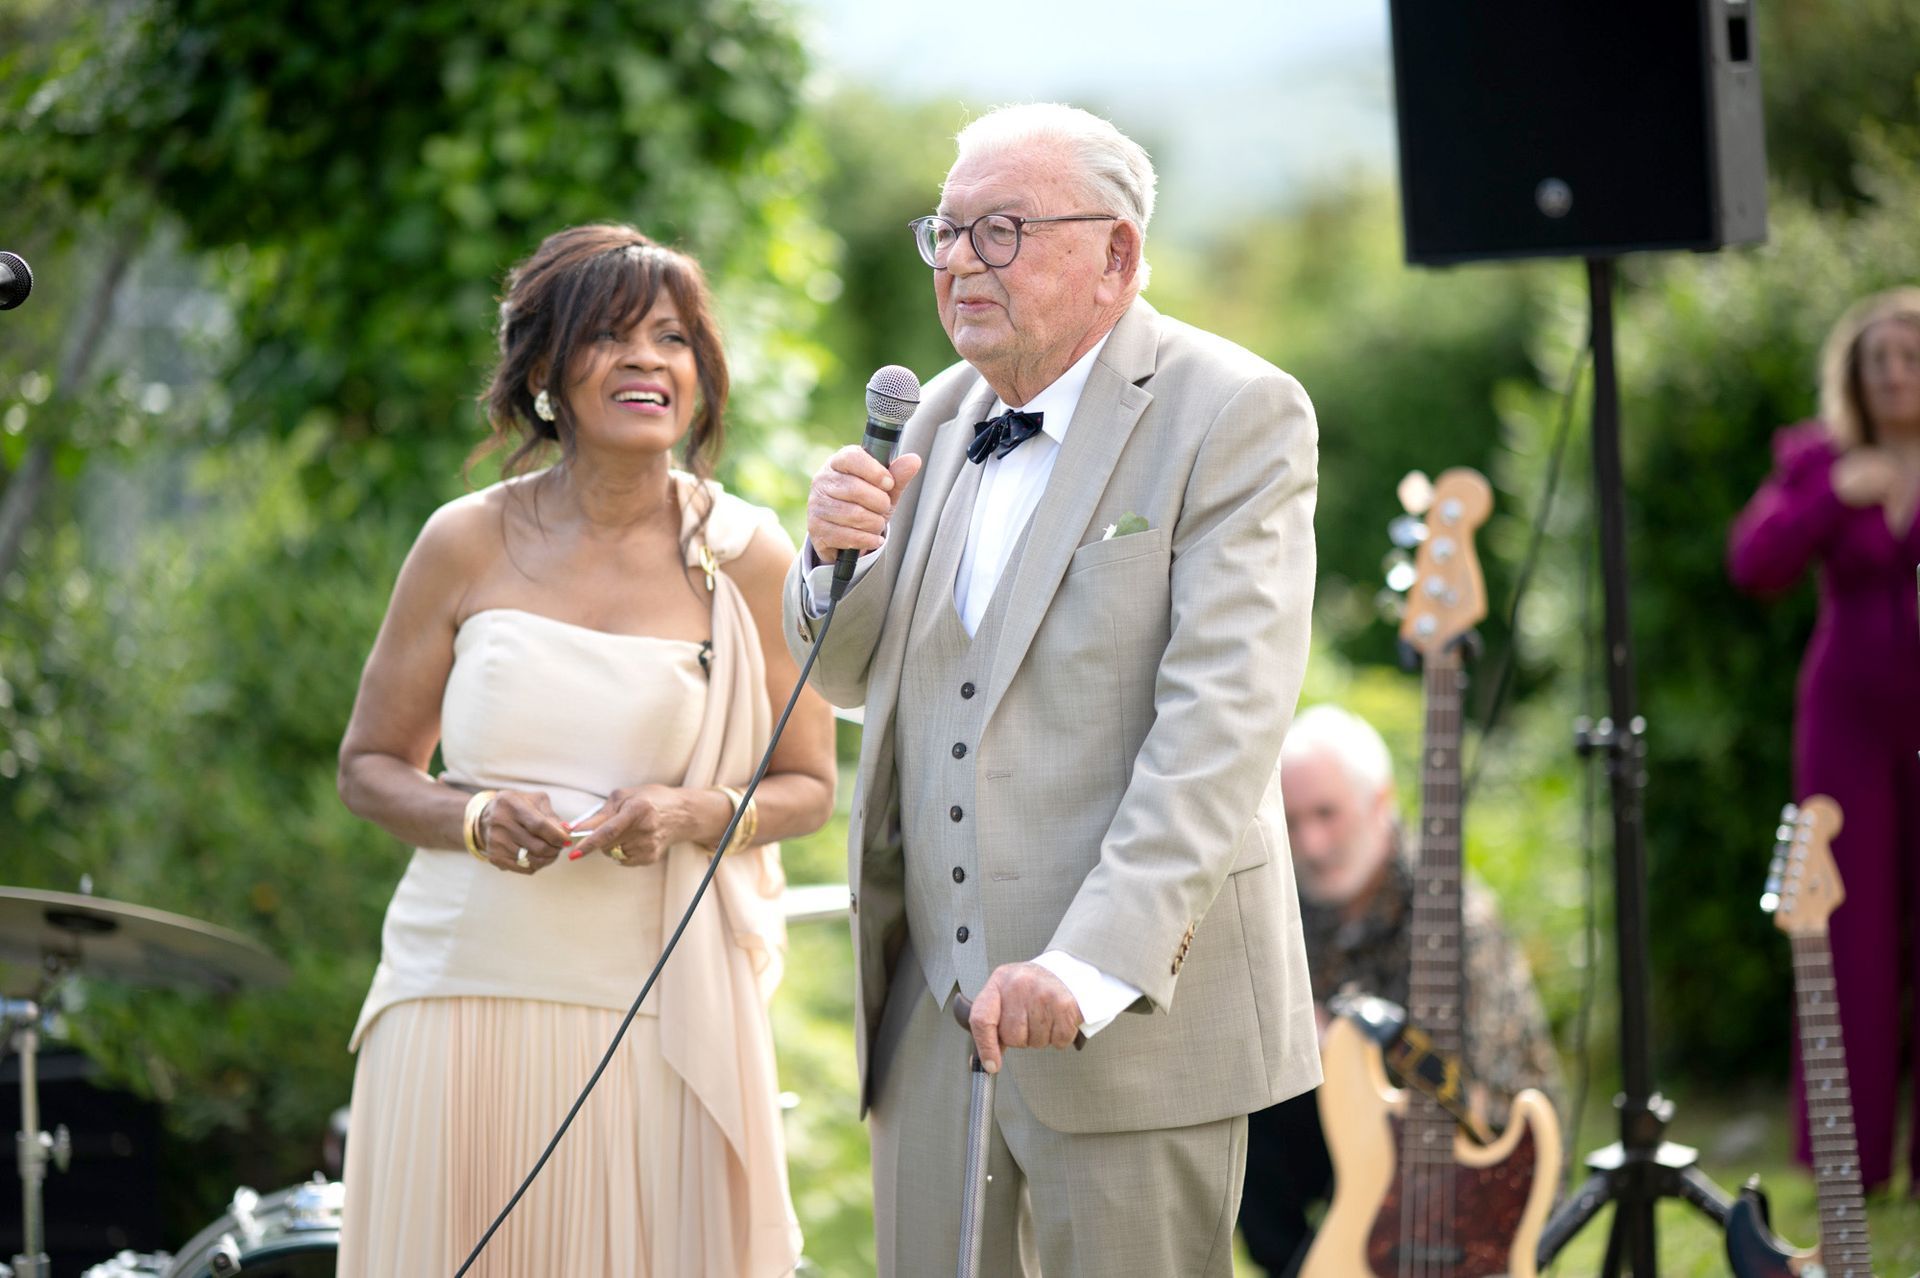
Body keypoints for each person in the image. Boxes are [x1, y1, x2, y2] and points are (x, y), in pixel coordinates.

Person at [784, 103, 1321, 1277]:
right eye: (948, 232)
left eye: (1003, 231)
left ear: (1117, 254)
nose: (961, 263)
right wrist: (831, 560)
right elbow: (847, 676)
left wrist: (1090, 968)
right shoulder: (931, 413)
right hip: (929, 1014)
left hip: (1131, 1017)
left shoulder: (1234, 410)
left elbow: (1221, 722)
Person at [333, 224, 835, 1276]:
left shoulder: (749, 560)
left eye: (674, 339)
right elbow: (370, 765)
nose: (649, 359)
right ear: (547, 373)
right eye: (611, 337)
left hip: (656, 1010)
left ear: (701, 377)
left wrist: (690, 815)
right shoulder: (462, 541)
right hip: (458, 993)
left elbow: (807, 787)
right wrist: (469, 817)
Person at [1236, 704, 1563, 1276]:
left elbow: (1491, 1111)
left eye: (1327, 815)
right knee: (1247, 1103)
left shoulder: (1458, 920)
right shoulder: (1286, 907)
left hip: (1477, 1172)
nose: (1310, 845)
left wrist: (1362, 1050)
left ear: (1380, 802)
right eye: (1291, 821)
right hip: (1351, 1151)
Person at [1728, 286, 1920, 1196]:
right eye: (1875, 357)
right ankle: (1850, 1155)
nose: (1891, 372)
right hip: (1845, 723)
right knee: (1845, 929)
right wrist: (1832, 498)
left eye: (1909, 355)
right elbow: (1753, 562)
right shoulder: (1819, 457)